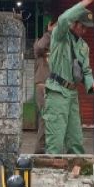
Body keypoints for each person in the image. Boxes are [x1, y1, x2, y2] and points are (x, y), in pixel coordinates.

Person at [44, 0, 94, 154]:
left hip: (72, 94)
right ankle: (53, 167)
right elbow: (63, 18)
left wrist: (93, 85)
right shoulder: (60, 36)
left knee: (75, 139)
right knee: (55, 140)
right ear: (74, 23)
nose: (84, 30)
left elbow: (86, 71)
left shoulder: (83, 46)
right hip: (57, 92)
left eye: (87, 28)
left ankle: (77, 167)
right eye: (82, 26)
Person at [32, 17, 57, 154]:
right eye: (56, 26)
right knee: (45, 119)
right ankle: (40, 150)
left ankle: (48, 148)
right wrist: (49, 32)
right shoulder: (40, 44)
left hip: (54, 87)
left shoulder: (57, 43)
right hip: (43, 87)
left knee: (52, 119)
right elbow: (40, 48)